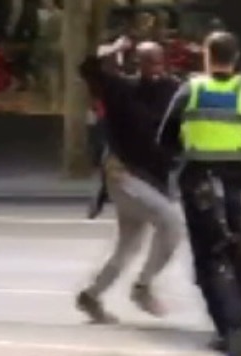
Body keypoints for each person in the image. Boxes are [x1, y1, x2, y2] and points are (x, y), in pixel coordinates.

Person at [157, 31, 241, 351]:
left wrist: (185, 151)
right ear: (236, 57)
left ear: (206, 56)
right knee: (238, 252)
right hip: (240, 185)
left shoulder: (191, 89)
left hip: (199, 186)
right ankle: (240, 324)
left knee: (208, 258)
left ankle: (227, 329)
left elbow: (164, 139)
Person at [76, 38, 184, 322]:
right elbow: (87, 69)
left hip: (152, 179)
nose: (154, 68)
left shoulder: (172, 90)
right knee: (171, 222)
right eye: (148, 62)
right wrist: (111, 49)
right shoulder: (121, 88)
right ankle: (143, 287)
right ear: (137, 64)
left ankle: (91, 296)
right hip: (123, 175)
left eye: (158, 62)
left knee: (128, 247)